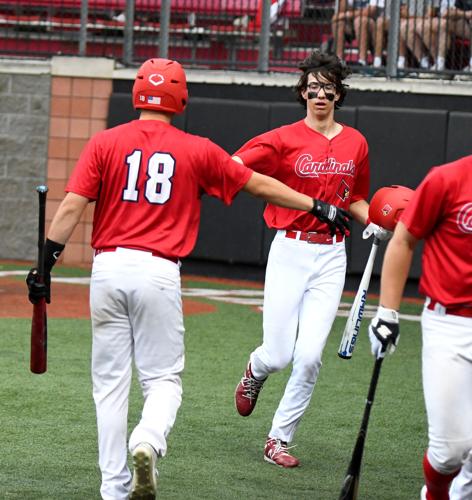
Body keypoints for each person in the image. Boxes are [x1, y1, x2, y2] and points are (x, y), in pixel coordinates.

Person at [26, 58, 354, 500]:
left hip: (107, 270)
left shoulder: (104, 142)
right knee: (162, 380)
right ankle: (148, 440)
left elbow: (70, 208)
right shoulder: (196, 148)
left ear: (138, 92)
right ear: (181, 98)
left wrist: (44, 266)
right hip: (159, 271)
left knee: (109, 384)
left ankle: (113, 487)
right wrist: (316, 205)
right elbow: (258, 184)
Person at [233, 50, 391, 468]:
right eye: (313, 87)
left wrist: (373, 221)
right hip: (289, 249)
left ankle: (278, 439)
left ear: (339, 94)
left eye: (329, 88)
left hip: (332, 256)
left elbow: (357, 197)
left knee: (308, 358)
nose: (320, 94)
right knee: (279, 354)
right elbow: (235, 166)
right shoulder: (282, 138)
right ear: (303, 92)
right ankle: (255, 368)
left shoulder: (356, 142)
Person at [368, 155, 472, 499]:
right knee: (449, 453)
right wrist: (387, 312)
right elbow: (403, 240)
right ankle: (436, 492)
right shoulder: (447, 178)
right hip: (451, 325)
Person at [331, 0, 376, 66]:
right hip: (352, 21)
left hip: (372, 24)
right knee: (338, 24)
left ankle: (362, 61)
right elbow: (340, 11)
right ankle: (339, 62)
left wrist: (347, 14)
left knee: (360, 21)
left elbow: (371, 11)